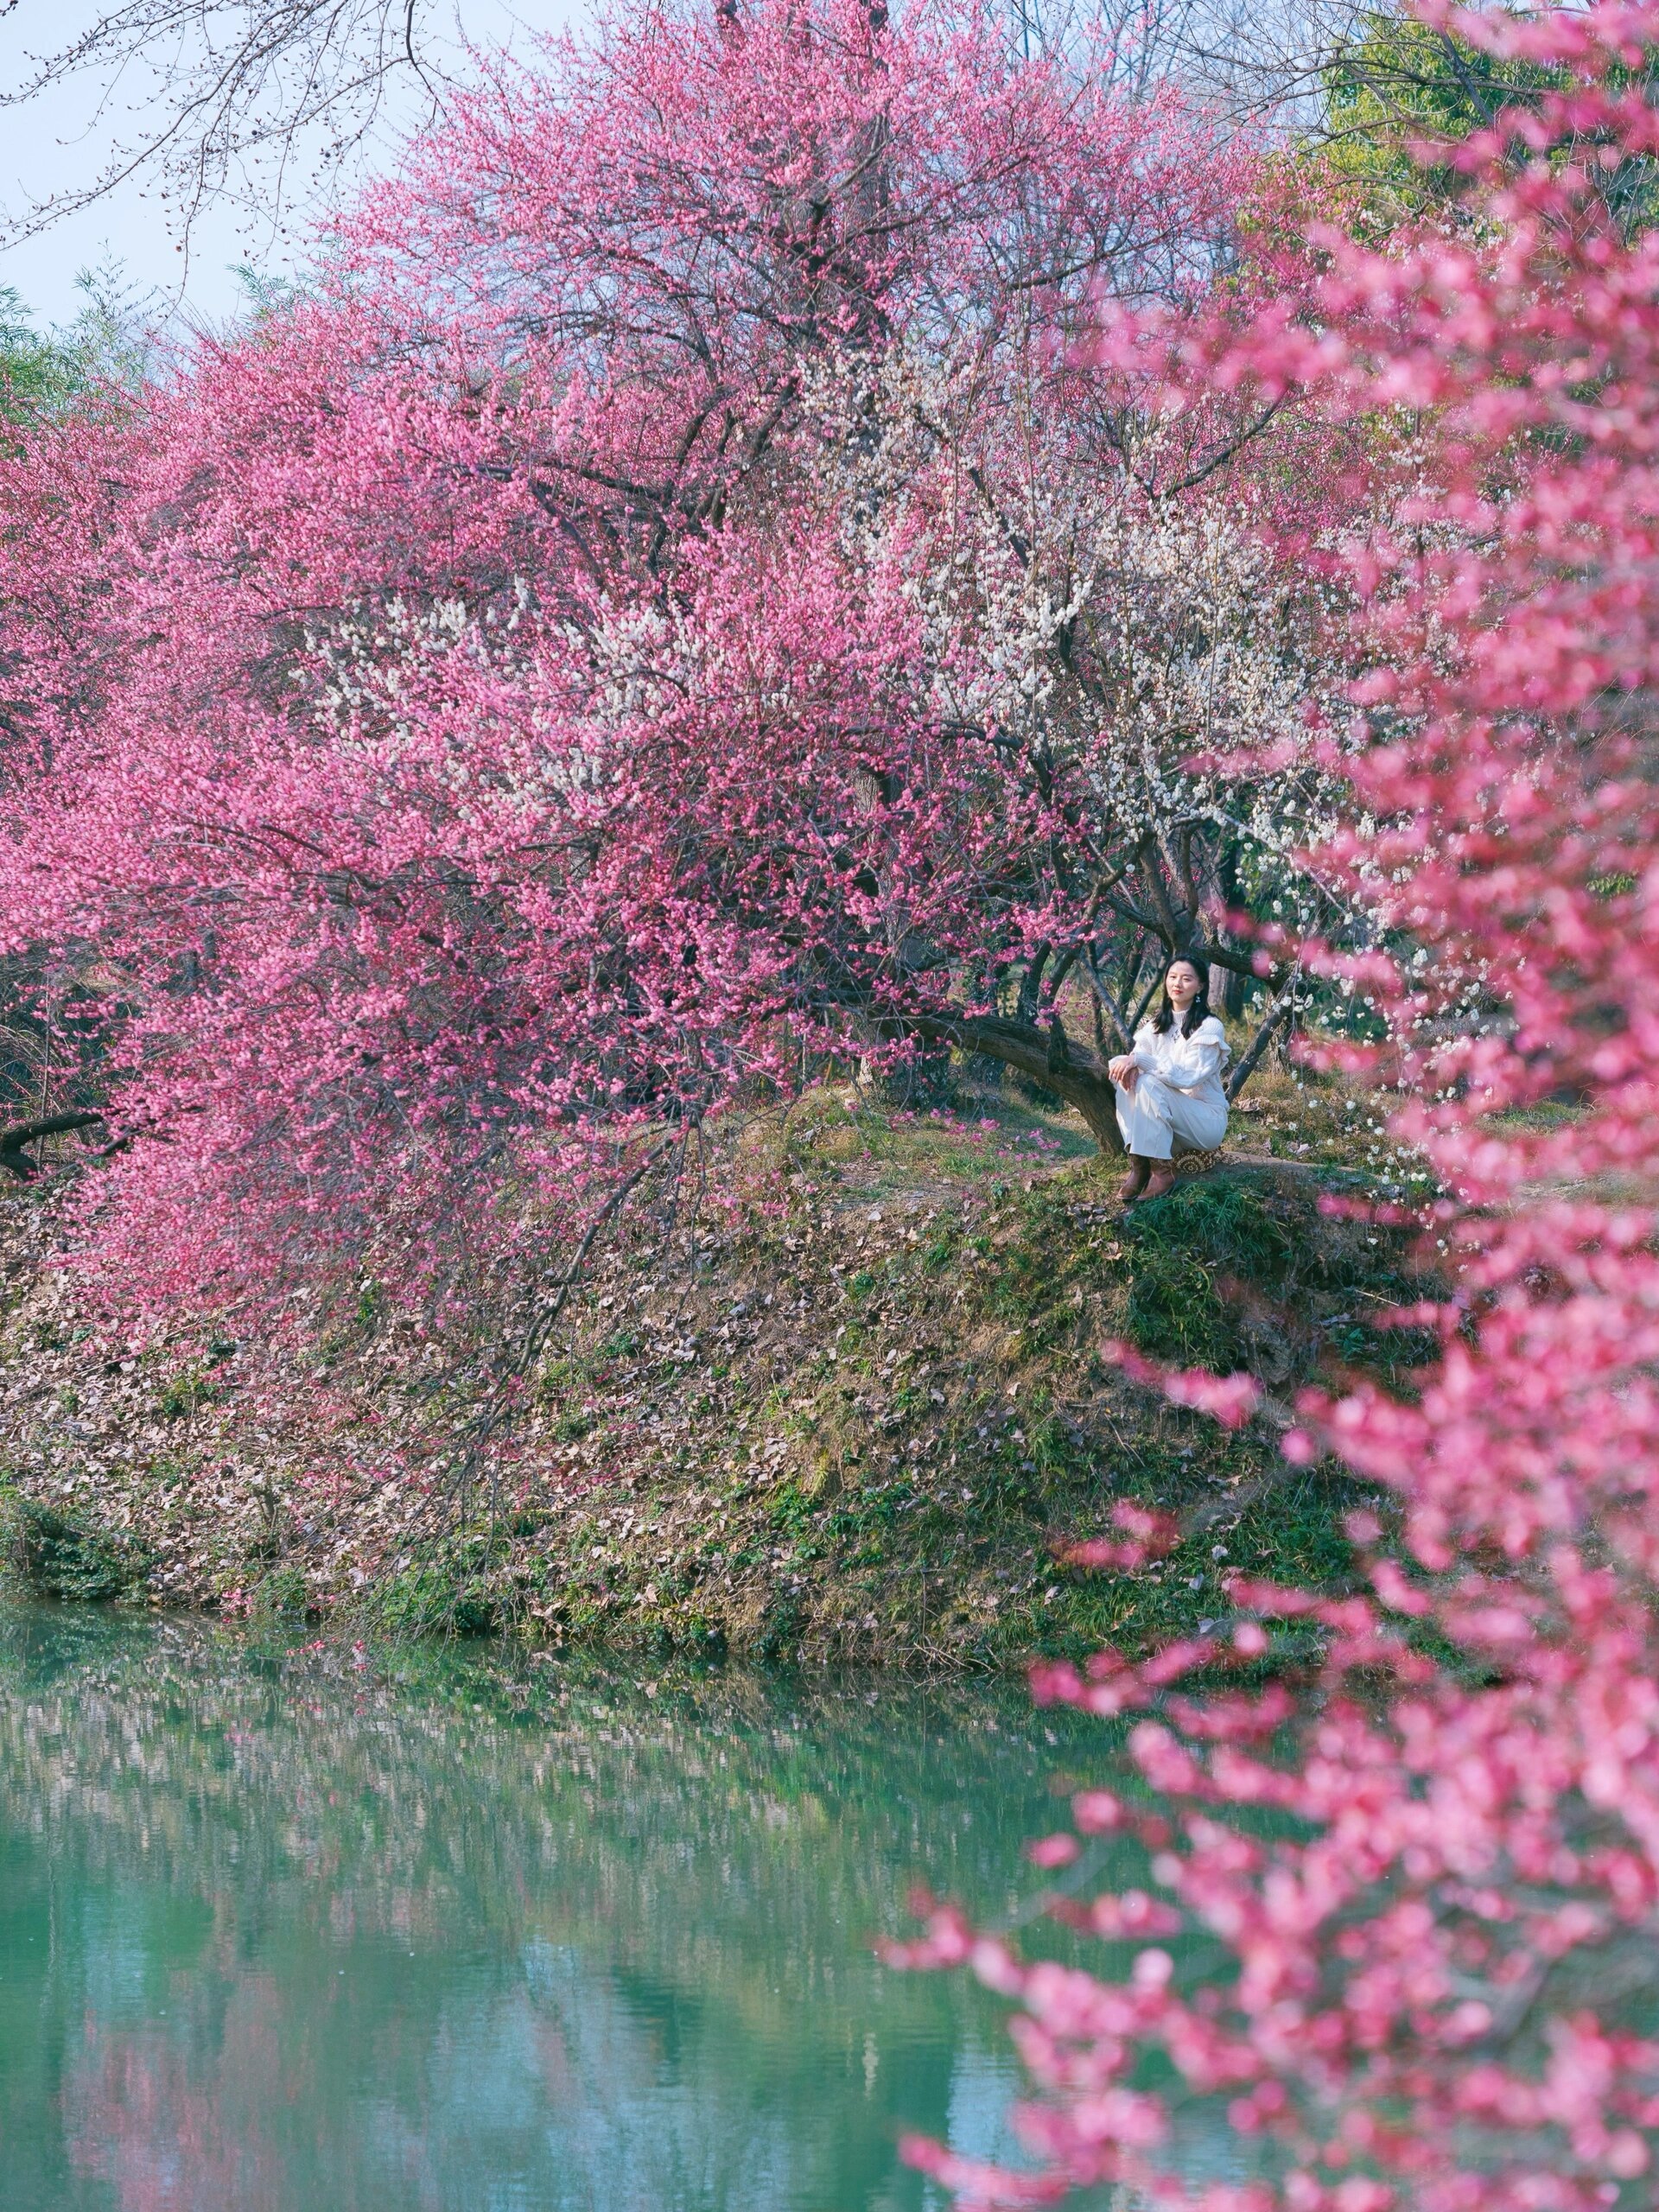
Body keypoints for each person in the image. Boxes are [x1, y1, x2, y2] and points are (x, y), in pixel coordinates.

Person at [1109, 956, 1230, 1203]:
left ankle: (1162, 1173)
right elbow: (1136, 1056)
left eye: (1187, 979)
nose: (1178, 983)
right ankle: (1140, 1165)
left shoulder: (1210, 1027)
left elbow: (1187, 1076)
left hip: (1204, 1121)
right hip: (1166, 1125)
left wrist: (1140, 1061)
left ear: (1201, 986)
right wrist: (1132, 1062)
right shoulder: (1155, 1025)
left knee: (1146, 1080)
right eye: (1173, 977)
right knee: (1120, 1068)